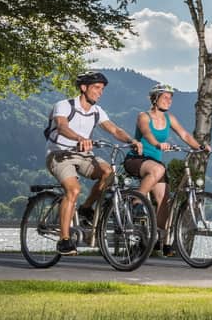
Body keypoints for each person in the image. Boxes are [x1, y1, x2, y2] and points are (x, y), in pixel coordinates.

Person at [43, 71, 142, 255]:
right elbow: (63, 126)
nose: (100, 92)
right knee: (73, 189)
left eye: (102, 89)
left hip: (84, 155)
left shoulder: (97, 111)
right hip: (59, 154)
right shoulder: (64, 105)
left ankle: (86, 208)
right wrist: (79, 137)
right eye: (97, 88)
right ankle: (64, 240)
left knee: (109, 172)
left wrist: (131, 141)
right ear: (83, 87)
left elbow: (114, 129)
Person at [123, 83, 210, 255]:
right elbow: (147, 133)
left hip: (155, 165)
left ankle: (158, 238)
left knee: (164, 200)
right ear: (155, 99)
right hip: (137, 160)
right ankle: (136, 203)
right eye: (165, 97)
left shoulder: (170, 119)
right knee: (158, 170)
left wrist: (200, 147)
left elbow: (184, 134)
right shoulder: (144, 116)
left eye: (171, 98)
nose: (169, 101)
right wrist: (157, 144)